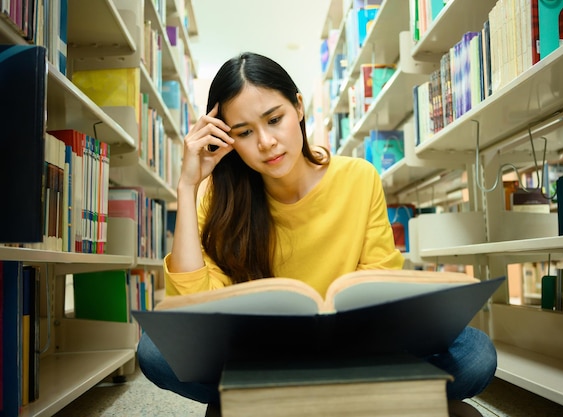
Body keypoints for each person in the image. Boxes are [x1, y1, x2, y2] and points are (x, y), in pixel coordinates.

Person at [137, 52, 496, 416]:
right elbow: (194, 310)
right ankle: (346, 403)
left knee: (476, 352)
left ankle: (275, 403)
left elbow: (382, 280)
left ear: (299, 108)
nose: (265, 142)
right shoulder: (219, 197)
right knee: (153, 351)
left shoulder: (359, 177)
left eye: (274, 119)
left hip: (353, 353)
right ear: (226, 140)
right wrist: (186, 186)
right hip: (261, 358)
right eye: (244, 132)